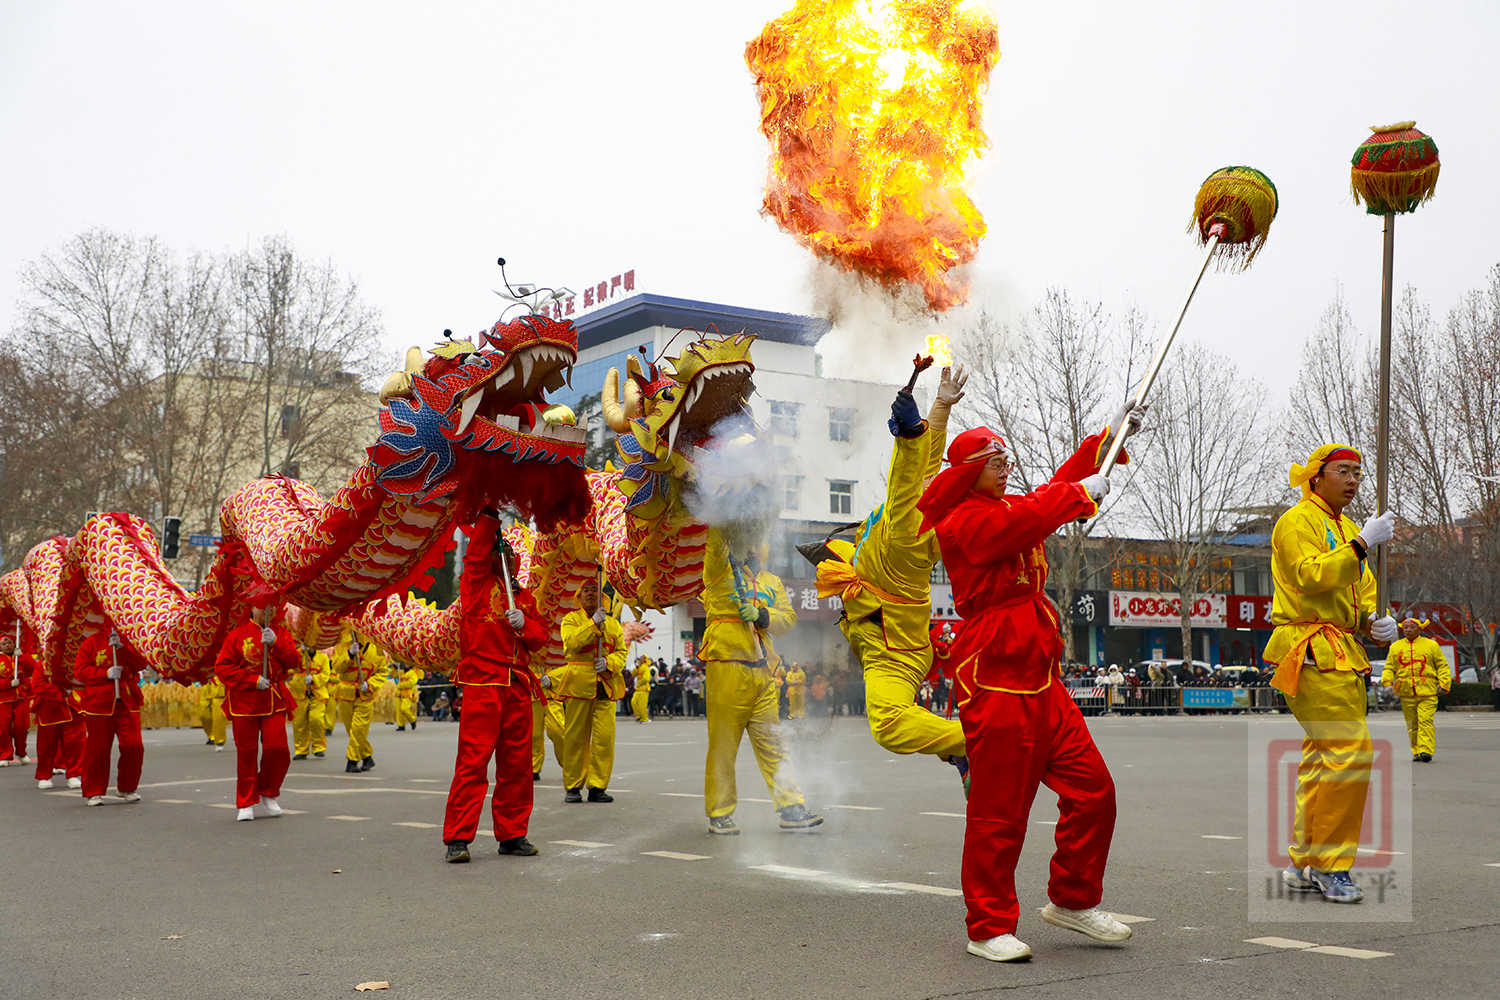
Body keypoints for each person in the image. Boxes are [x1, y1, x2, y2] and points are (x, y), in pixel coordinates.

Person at [917, 408, 1142, 963]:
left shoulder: (1010, 506)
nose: (1006, 468)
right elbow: (1026, 522)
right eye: (994, 462)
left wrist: (1106, 439)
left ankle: (1073, 900)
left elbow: (1048, 493)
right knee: (999, 813)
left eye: (1006, 460)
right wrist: (1078, 496)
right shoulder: (961, 519)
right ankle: (987, 926)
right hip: (995, 678)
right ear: (966, 471)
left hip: (1042, 680)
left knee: (1095, 792)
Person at [816, 367, 969, 776]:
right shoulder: (922, 505)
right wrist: (940, 406)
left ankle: (976, 743)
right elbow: (924, 465)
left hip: (893, 649)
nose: (932, 477)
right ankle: (960, 753)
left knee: (888, 724)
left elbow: (905, 478)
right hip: (889, 637)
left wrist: (911, 434)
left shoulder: (911, 528)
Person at [1265, 444, 1397, 904]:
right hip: (1310, 647)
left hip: (1342, 649)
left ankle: (1305, 860)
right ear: (1316, 476)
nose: (1354, 480)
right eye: (1343, 470)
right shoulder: (1296, 521)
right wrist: (1361, 545)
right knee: (1350, 752)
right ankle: (1330, 864)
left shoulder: (1348, 528)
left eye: (1358, 472)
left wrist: (1376, 622)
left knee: (1324, 758)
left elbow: (1360, 597)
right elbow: (1308, 576)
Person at [700, 526, 822, 835]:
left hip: (764, 672)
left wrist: (761, 615)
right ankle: (720, 812)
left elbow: (788, 620)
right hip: (727, 666)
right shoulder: (718, 570)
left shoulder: (772, 582)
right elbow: (715, 543)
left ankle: (791, 807)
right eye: (748, 542)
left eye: (758, 542)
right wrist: (722, 518)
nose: (753, 548)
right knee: (723, 746)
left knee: (773, 743)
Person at [443, 514, 551, 862]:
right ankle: (458, 838)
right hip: (483, 682)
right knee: (473, 762)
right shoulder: (475, 584)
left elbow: (541, 638)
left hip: (517, 684)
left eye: (507, 552)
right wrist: (489, 512)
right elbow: (475, 554)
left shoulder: (524, 598)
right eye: (497, 551)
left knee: (517, 765)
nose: (504, 556)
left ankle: (513, 833)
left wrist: (525, 624)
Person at [214, 605, 298, 821]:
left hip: (273, 699)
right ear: (252, 608)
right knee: (247, 754)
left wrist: (276, 643)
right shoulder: (237, 635)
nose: (268, 610)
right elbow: (222, 667)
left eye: (272, 605)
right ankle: (246, 801)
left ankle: (268, 790)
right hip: (244, 703)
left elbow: (294, 662)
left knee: (278, 749)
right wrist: (251, 680)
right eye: (262, 606)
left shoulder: (281, 633)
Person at [556, 577, 626, 803]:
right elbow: (572, 643)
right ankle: (573, 786)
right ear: (579, 596)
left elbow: (621, 652)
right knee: (575, 738)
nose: (589, 594)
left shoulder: (613, 624)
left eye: (594, 590)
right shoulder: (571, 620)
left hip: (606, 684)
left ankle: (597, 786)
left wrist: (609, 662)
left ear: (601, 596)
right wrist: (592, 624)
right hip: (579, 686)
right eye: (585, 590)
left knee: (604, 739)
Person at [74, 627, 146, 806]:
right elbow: (80, 671)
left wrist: (123, 649)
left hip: (127, 700)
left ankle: (127, 787)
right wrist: (104, 673)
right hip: (99, 703)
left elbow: (141, 663)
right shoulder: (91, 642)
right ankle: (94, 791)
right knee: (98, 749)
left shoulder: (129, 639)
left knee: (134, 746)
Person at [1380, 618, 1450, 762]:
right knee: (1412, 724)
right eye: (1405, 627)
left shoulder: (1431, 645)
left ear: (1419, 629)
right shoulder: (1395, 647)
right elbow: (1389, 667)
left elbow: (1442, 666)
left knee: (1425, 720)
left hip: (1428, 691)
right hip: (1406, 692)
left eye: (1411, 627)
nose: (1408, 630)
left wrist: (1444, 684)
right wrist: (1387, 683)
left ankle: (1426, 750)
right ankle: (1417, 750)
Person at [29, 634, 85, 789]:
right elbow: (38, 685)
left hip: (72, 708)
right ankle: (44, 775)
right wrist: (59, 693)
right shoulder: (41, 665)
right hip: (49, 710)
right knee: (46, 745)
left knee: (76, 744)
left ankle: (73, 774)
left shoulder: (74, 663)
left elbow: (82, 678)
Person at [331, 628, 381, 773]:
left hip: (365, 696)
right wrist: (349, 654)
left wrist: (370, 684)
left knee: (358, 728)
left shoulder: (377, 649)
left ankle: (352, 761)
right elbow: (337, 667)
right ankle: (367, 757)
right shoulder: (343, 645)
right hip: (346, 694)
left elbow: (382, 672)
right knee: (352, 730)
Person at [290, 646, 330, 760]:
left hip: (317, 694)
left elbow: (326, 675)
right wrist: (300, 652)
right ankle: (301, 750)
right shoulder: (298, 655)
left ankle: (318, 747)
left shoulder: (323, 658)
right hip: (299, 693)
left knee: (316, 719)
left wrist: (314, 679)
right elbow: (290, 668)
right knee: (299, 723)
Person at [0, 631, 33, 767]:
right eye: (4, 644)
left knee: (22, 727)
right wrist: (8, 684)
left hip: (21, 698)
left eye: (9, 643)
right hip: (3, 700)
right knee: (3, 728)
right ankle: (4, 755)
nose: (7, 645)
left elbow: (32, 669)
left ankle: (22, 753)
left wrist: (23, 657)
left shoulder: (20, 656)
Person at [197, 676, 228, 750]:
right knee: (203, 714)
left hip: (219, 684)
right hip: (206, 684)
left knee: (218, 717)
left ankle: (219, 740)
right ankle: (211, 735)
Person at [395, 662, 424, 732]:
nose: (405, 664)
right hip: (399, 694)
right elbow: (392, 674)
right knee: (399, 711)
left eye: (407, 663)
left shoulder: (412, 673)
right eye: (404, 663)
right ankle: (401, 725)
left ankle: (413, 720)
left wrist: (401, 685)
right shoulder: (400, 672)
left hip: (408, 694)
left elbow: (412, 683)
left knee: (404, 709)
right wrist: (394, 667)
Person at [631, 655, 652, 724]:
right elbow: (633, 674)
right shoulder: (639, 667)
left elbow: (646, 679)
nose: (639, 660)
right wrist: (636, 667)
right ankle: (639, 716)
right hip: (638, 689)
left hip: (644, 689)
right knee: (633, 702)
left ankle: (645, 719)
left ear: (644, 660)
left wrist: (639, 683)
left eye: (641, 658)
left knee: (642, 705)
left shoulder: (646, 667)